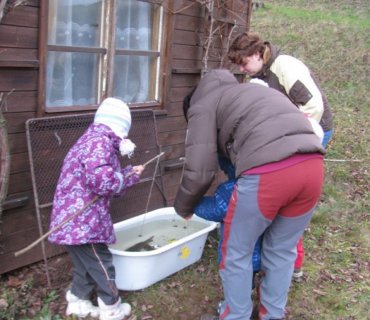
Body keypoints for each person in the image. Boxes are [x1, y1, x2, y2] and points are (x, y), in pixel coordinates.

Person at [174, 69, 325, 320]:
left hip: (269, 173)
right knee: (281, 250)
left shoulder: (201, 105)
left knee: (236, 252)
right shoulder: (253, 91)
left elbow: (199, 170)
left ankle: (236, 316)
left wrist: (184, 207)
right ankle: (271, 315)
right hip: (313, 166)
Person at [228, 31, 334, 280]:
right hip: (286, 135)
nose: (243, 69)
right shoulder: (262, 72)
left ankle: (291, 263)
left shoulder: (284, 66)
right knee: (281, 195)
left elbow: (313, 106)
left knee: (286, 195)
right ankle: (282, 260)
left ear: (256, 53)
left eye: (244, 63)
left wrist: (289, 130)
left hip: (311, 130)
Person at [48, 97, 144, 320]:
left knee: (86, 265)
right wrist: (128, 176)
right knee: (102, 264)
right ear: (119, 126)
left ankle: (78, 302)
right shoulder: (99, 143)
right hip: (82, 220)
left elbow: (99, 176)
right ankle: (111, 307)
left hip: (73, 219)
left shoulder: (91, 139)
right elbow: (103, 182)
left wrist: (127, 174)